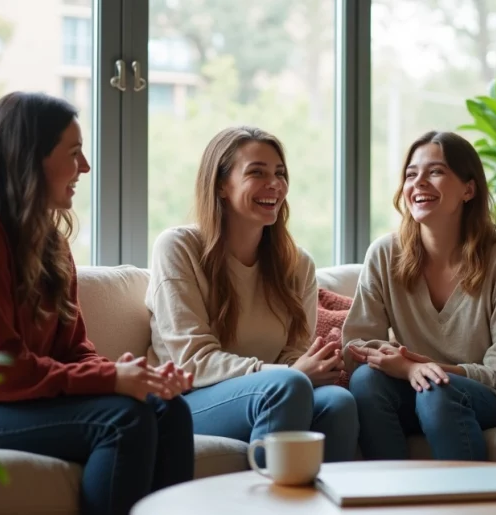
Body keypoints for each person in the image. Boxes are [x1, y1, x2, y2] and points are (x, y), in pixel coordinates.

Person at [0, 92, 195, 515]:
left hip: (17, 398)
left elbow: (73, 350)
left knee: (170, 410)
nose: (85, 167)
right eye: (74, 153)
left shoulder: (51, 241)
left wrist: (132, 375)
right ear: (31, 158)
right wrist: (109, 380)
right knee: (123, 421)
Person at [145, 126, 358, 463]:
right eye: (257, 172)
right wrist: (289, 374)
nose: (274, 184)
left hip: (272, 395)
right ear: (221, 184)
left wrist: (302, 368)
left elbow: (294, 354)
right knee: (288, 386)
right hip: (185, 400)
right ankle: (261, 493)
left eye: (280, 173)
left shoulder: (297, 265)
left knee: (338, 402)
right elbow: (192, 360)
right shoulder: (178, 247)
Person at [343, 130, 496, 461]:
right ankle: (390, 490)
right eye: (411, 174)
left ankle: (465, 493)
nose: (418, 183)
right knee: (366, 381)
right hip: (413, 389)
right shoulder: (384, 253)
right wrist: (407, 369)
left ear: (468, 189)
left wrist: (428, 369)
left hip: (484, 395)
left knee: (436, 390)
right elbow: (356, 346)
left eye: (435, 171)